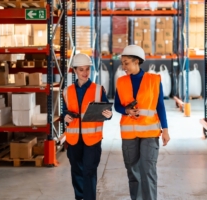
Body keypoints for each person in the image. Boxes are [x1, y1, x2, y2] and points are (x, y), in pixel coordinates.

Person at [114, 45, 170, 200]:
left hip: (149, 133)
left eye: (126, 63)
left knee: (148, 170)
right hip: (129, 134)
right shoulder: (121, 81)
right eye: (122, 63)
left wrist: (165, 129)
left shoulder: (154, 80)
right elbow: (117, 105)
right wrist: (127, 111)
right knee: (133, 171)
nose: (123, 67)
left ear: (136, 61)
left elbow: (160, 106)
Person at [63, 53, 112, 200]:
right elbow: (64, 111)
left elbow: (106, 110)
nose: (85, 73)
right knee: (76, 172)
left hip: (92, 139)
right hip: (73, 139)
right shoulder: (67, 91)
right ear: (75, 71)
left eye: (87, 69)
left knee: (89, 171)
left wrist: (109, 115)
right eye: (81, 70)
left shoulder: (98, 90)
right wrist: (65, 116)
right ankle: (80, 197)